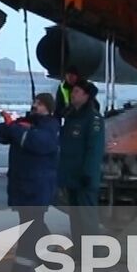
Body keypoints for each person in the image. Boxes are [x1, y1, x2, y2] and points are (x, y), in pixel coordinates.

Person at [0, 93, 62, 272]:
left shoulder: (50, 127)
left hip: (36, 189)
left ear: (49, 109)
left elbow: (37, 143)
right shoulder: (25, 124)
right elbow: (2, 135)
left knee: (28, 233)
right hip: (23, 187)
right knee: (36, 228)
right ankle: (55, 266)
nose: (35, 106)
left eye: (40, 104)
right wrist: (8, 126)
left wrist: (14, 128)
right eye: (35, 103)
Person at [57, 80, 106, 262]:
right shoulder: (71, 117)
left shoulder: (93, 119)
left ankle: (93, 253)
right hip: (71, 176)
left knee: (87, 217)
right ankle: (79, 252)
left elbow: (94, 149)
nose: (73, 94)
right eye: (73, 92)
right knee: (76, 218)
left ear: (86, 96)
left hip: (84, 177)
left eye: (77, 91)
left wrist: (89, 173)